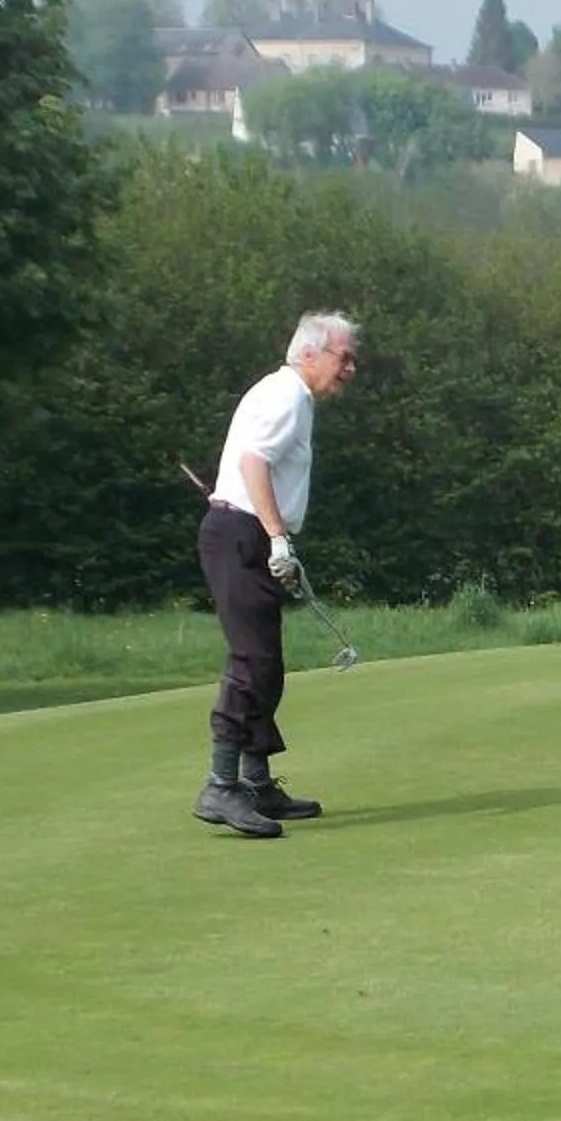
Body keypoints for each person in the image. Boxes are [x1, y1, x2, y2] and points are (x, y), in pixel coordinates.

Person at [194, 311, 360, 839]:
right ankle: (221, 786)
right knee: (253, 661)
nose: (351, 369)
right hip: (240, 534)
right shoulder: (288, 395)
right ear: (310, 353)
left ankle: (257, 783)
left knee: (267, 665)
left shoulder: (290, 397)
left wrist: (275, 536)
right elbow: (252, 463)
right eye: (344, 357)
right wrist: (278, 536)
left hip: (247, 535)